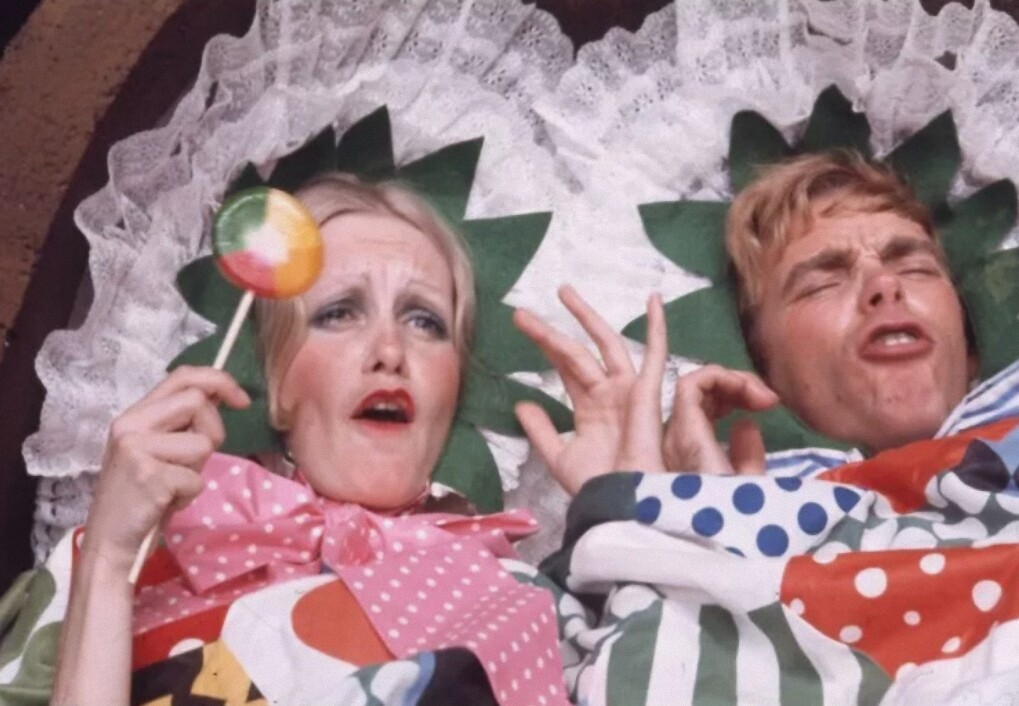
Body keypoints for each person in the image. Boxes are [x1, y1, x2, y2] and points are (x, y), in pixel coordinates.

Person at [46, 174, 574, 706]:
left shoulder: (518, 600)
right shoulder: (120, 568)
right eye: (338, 312)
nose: (390, 351)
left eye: (425, 321)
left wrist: (612, 503)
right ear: (275, 381)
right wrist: (108, 564)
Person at [515, 150, 1019, 705]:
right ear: (763, 367)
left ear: (969, 344)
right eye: (822, 283)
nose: (884, 285)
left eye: (916, 268)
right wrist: (652, 524)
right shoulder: (737, 521)